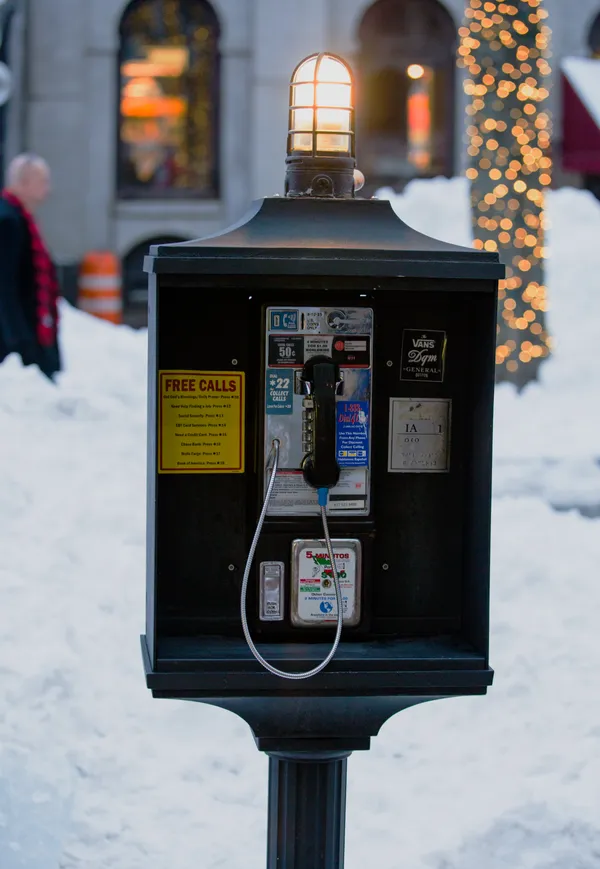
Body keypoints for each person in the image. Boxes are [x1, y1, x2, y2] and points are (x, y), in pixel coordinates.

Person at [0, 153, 61, 381]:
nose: (48, 188)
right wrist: (19, 342)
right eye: (42, 181)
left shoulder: (19, 218)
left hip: (28, 335)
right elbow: (5, 287)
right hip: (17, 343)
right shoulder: (8, 221)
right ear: (23, 182)